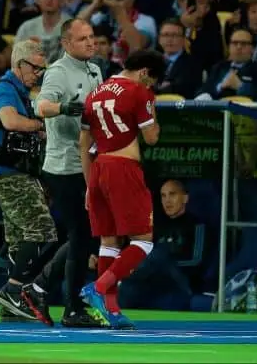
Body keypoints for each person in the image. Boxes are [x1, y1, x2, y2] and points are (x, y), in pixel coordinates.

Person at [21, 18, 104, 328]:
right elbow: (40, 107)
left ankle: (39, 288)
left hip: (86, 162)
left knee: (85, 234)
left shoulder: (95, 70)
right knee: (82, 234)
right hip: (62, 165)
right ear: (67, 44)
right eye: (83, 39)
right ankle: (70, 307)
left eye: (92, 37)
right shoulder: (58, 71)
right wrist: (65, 108)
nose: (90, 43)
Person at [78, 49, 166, 330]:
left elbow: (83, 143)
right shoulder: (140, 93)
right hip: (123, 168)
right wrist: (152, 108)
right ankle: (99, 287)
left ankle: (112, 313)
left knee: (110, 242)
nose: (149, 86)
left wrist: (89, 185)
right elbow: (151, 138)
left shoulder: (95, 93)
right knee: (143, 239)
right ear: (143, 73)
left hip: (98, 168)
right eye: (150, 81)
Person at [0, 40, 58, 319]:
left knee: (18, 240)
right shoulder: (5, 89)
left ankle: (13, 304)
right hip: (7, 173)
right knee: (42, 229)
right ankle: (13, 290)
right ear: (19, 65)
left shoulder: (21, 91)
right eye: (35, 68)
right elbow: (11, 122)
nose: (38, 74)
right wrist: (40, 126)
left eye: (42, 69)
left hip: (14, 172)